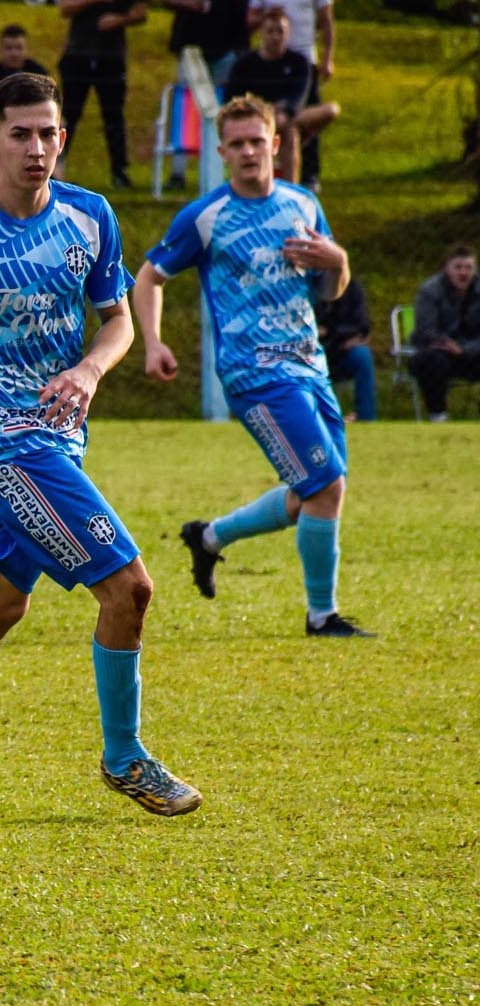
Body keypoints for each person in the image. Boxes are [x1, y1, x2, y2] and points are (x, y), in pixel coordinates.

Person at [0, 71, 200, 821]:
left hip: (62, 439)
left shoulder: (91, 217)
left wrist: (89, 367)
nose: (37, 147)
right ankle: (125, 758)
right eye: (20, 133)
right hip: (7, 448)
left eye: (49, 133)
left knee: (1, 602)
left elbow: (116, 318)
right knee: (131, 588)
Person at [132, 95, 368, 637]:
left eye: (255, 141)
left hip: (311, 366)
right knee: (324, 485)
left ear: (276, 145)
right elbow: (149, 277)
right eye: (235, 144)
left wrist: (341, 263)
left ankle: (209, 537)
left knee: (312, 494)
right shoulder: (206, 217)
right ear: (221, 152)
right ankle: (321, 616)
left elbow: (329, 290)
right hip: (254, 374)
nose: (246, 152)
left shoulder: (303, 205)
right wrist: (153, 343)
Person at [225, 9, 337, 186]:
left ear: (288, 34)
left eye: (280, 31)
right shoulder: (245, 64)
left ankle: (290, 183)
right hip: (256, 118)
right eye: (270, 31)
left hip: (290, 115)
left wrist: (285, 111)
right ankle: (292, 187)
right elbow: (232, 97)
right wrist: (265, 111)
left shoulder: (299, 62)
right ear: (262, 32)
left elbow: (298, 96)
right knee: (291, 133)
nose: (275, 37)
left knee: (330, 110)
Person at [57, 0, 147, 189]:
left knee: (113, 115)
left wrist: (119, 20)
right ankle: (55, 169)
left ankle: (119, 171)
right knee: (69, 114)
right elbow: (65, 8)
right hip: (77, 53)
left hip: (111, 56)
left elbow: (141, 12)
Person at [161, 0, 251, 190]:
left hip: (227, 51)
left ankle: (228, 169)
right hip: (191, 50)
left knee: (228, 111)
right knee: (184, 109)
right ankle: (178, 173)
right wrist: (188, 3)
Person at [248, 0, 332, 186]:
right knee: (288, 126)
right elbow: (251, 19)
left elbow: (326, 20)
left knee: (302, 118)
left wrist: (328, 57)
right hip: (271, 60)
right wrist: (270, 16)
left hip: (304, 58)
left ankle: (308, 175)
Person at [408, 244, 480, 422]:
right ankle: (438, 415)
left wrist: (465, 348)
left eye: (468, 268)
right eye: (458, 267)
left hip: (471, 353)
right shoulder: (429, 290)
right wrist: (447, 344)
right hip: (438, 353)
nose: (463, 272)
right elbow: (426, 330)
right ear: (447, 268)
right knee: (432, 359)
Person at [315, 276, 374, 422]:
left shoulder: (352, 288)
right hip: (311, 351)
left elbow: (362, 326)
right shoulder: (307, 286)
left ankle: (365, 416)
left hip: (341, 352)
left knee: (362, 356)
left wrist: (329, 332)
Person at [0, 24, 50, 125]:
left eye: (19, 48)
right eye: (8, 48)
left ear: (26, 50)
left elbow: (48, 103)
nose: (14, 53)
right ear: (0, 50)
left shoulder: (38, 74)